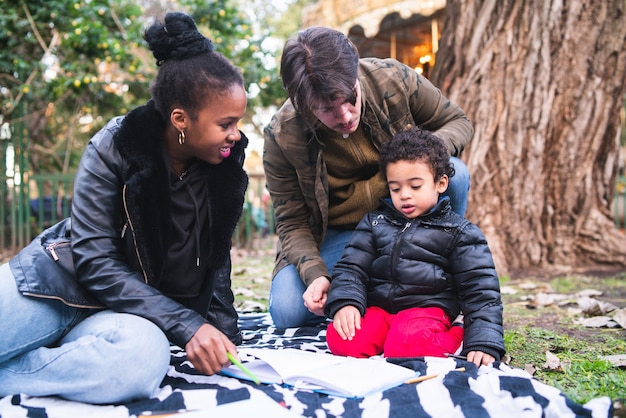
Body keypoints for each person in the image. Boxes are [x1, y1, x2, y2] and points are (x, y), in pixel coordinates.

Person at [0, 12, 249, 404]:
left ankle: (17, 374)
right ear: (180, 119)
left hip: (131, 319)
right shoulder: (116, 145)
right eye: (226, 123)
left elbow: (216, 254)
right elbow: (94, 262)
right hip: (59, 289)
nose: (236, 134)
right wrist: (186, 325)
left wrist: (226, 334)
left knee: (137, 365)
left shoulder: (224, 160)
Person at [263, 26, 474, 328]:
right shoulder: (281, 135)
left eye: (350, 98)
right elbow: (291, 221)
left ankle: (444, 275)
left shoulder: (393, 78)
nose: (346, 116)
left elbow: (457, 121)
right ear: (302, 103)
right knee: (288, 312)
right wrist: (317, 275)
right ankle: (375, 286)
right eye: (326, 109)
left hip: (404, 218)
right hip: (336, 233)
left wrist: (422, 159)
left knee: (455, 173)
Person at [324, 127, 505, 367]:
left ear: (440, 184)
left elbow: (481, 290)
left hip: (427, 310)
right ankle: (388, 337)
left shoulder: (459, 232)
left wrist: (483, 338)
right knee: (342, 340)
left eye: (415, 186)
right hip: (380, 309)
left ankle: (457, 330)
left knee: (406, 348)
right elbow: (351, 268)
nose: (404, 196)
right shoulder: (374, 222)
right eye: (395, 188)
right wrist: (346, 302)